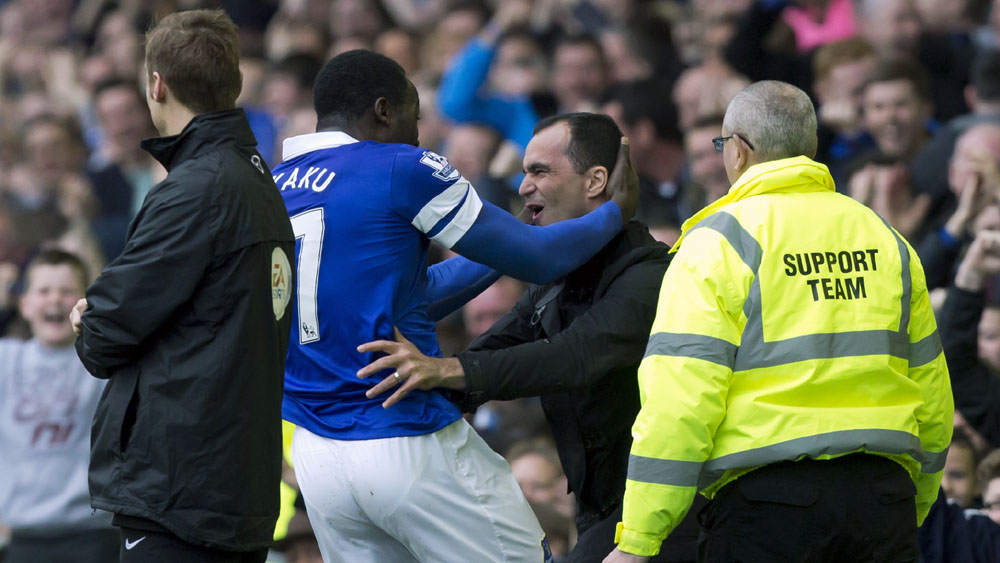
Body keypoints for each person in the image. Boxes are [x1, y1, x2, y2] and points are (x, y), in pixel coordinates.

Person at [272, 50, 637, 563]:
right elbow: (540, 259)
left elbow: (417, 294)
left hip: (318, 459)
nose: (419, 132)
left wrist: (517, 234)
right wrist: (616, 210)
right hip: (401, 433)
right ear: (383, 110)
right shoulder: (400, 166)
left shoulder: (273, 184)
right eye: (414, 115)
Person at [605, 80, 953, 563]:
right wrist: (913, 501)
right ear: (808, 148)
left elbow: (681, 398)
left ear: (740, 152)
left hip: (765, 509)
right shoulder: (883, 236)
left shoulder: (718, 242)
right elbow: (932, 387)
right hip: (882, 500)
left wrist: (639, 540)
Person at [358, 112, 699, 562]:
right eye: (523, 172)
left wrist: (446, 369)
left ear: (596, 180)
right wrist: (414, 384)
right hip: (600, 512)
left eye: (539, 171)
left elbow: (573, 356)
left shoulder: (650, 274)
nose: (523, 186)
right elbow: (496, 348)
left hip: (669, 514)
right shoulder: (553, 280)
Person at [71, 10, 295, 563]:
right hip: (230, 489)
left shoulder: (195, 190)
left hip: (180, 494)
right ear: (235, 84)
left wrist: (86, 318)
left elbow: (103, 335)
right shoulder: (256, 178)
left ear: (156, 84)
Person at [0, 250, 117, 563]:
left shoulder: (106, 367)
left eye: (67, 291)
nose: (54, 300)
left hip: (94, 533)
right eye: (43, 291)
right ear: (24, 304)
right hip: (24, 535)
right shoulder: (6, 360)